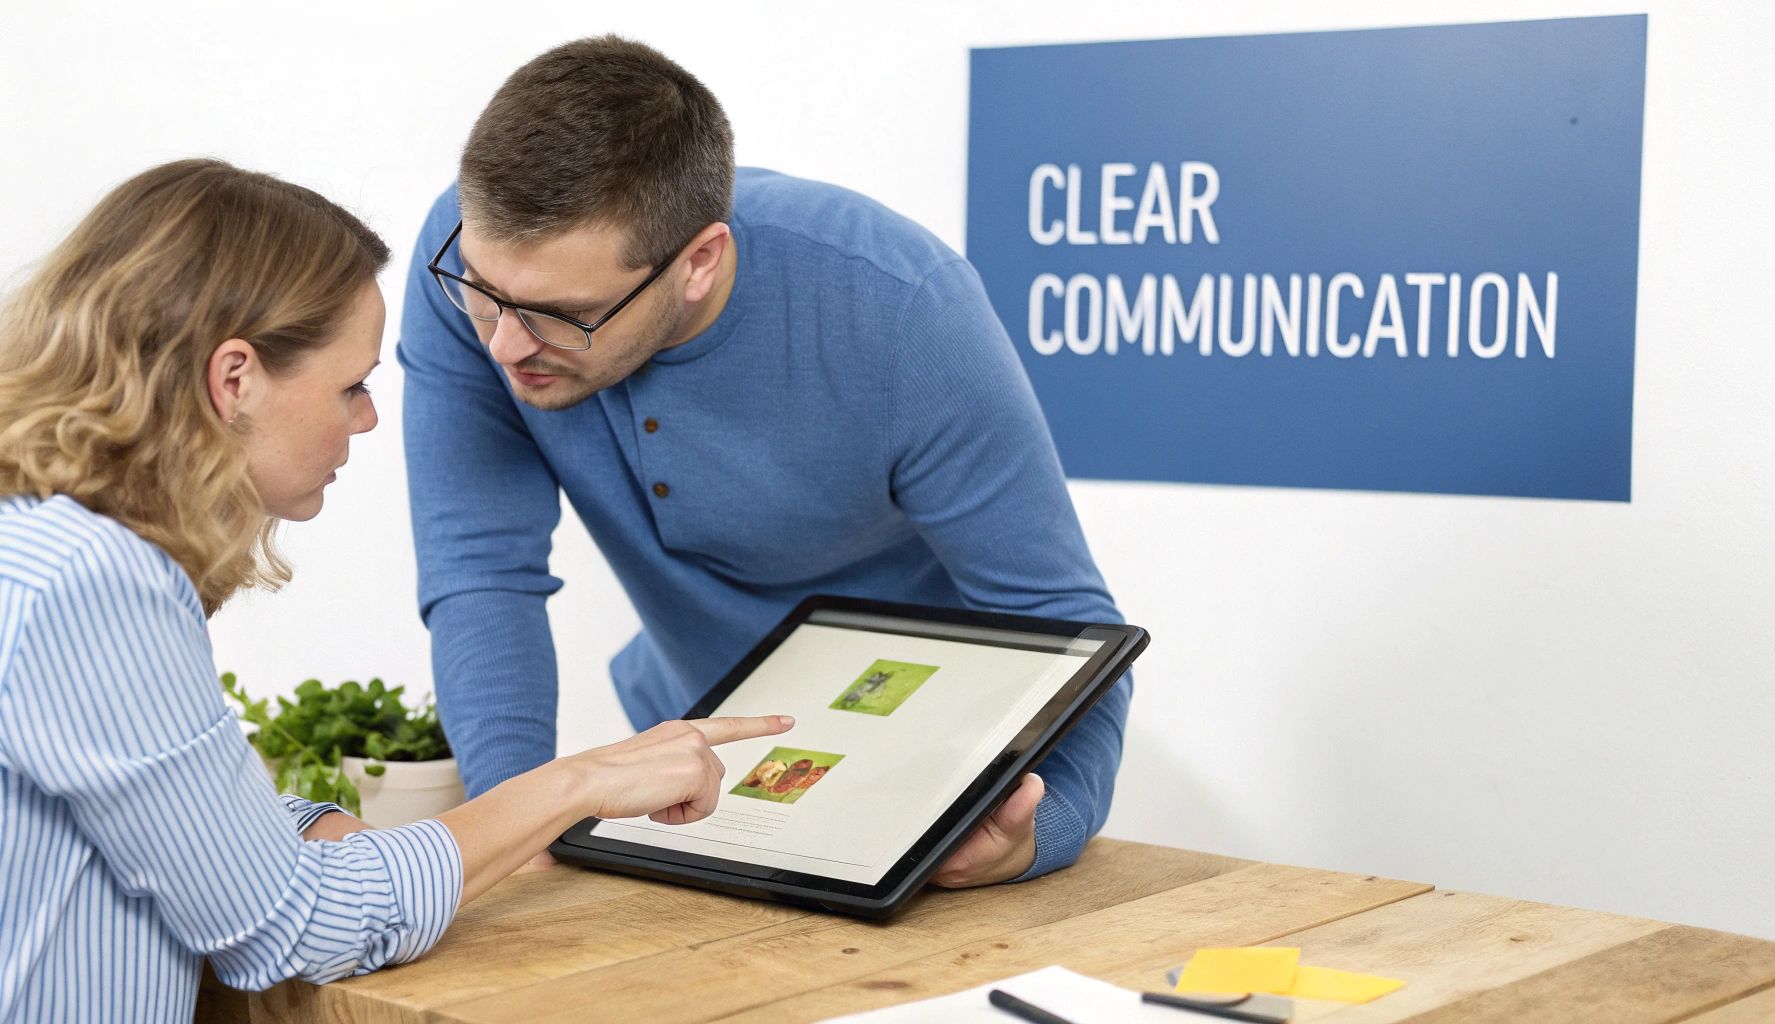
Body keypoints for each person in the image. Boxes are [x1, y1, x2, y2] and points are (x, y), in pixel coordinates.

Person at [0, 159, 790, 1022]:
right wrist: (575, 785)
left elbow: (167, 824)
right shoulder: (95, 582)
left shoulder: (38, 544)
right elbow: (285, 925)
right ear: (234, 381)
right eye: (352, 386)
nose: (369, 418)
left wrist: (309, 832)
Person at [400, 35, 1133, 887]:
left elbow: (1063, 620)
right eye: (485, 294)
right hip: (692, 757)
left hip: (921, 786)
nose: (502, 342)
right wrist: (511, 828)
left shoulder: (902, 312)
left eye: (567, 315)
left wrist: (1046, 827)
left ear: (699, 262)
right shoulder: (473, 264)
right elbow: (481, 570)